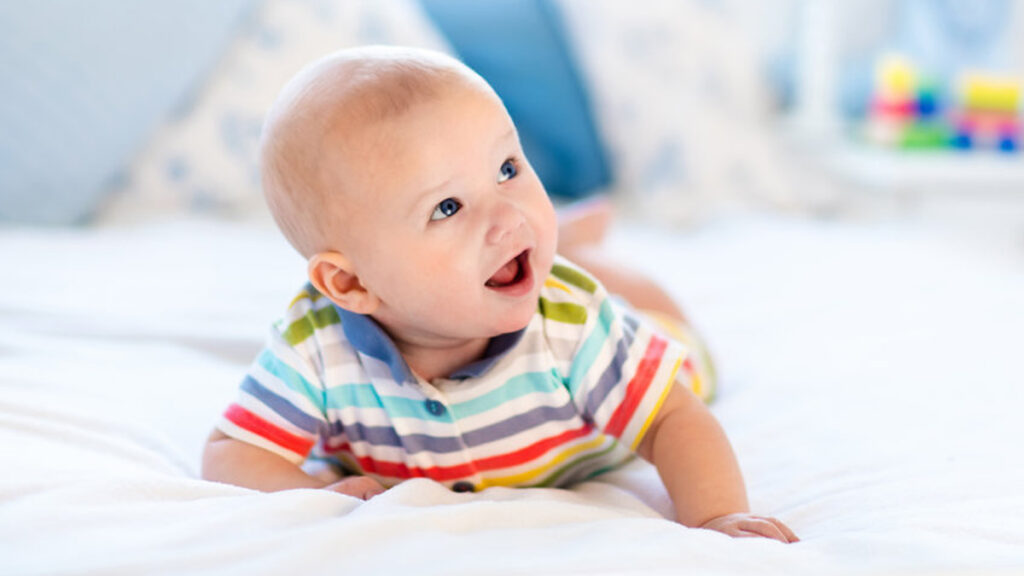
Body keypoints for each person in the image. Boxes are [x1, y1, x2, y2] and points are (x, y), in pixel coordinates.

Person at [201, 45, 797, 543]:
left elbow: (673, 419)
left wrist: (716, 516)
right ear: (351, 285)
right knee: (538, 256)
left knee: (656, 323)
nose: (507, 216)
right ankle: (571, 247)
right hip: (522, 290)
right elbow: (230, 451)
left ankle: (581, 254)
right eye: (448, 207)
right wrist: (314, 493)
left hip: (652, 352)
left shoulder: (571, 322)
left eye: (508, 168)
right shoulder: (315, 346)